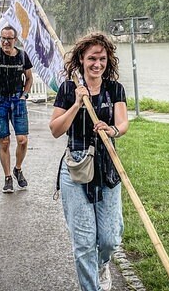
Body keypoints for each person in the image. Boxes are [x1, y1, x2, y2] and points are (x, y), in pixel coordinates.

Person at [49, 32, 128, 291]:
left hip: (107, 166)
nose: (97, 63)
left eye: (102, 58)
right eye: (92, 58)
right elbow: (56, 129)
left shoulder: (114, 89)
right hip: (76, 167)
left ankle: (101, 264)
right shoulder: (68, 89)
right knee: (83, 243)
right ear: (81, 59)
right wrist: (75, 104)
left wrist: (112, 130)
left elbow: (122, 123)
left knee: (108, 238)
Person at [0, 26, 33, 193]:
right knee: (4, 141)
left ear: (15, 40)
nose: (5, 42)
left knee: (22, 140)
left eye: (9, 39)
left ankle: (17, 169)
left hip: (17, 100)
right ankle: (7, 177)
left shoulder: (22, 56)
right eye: (3, 38)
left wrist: (24, 95)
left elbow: (29, 78)